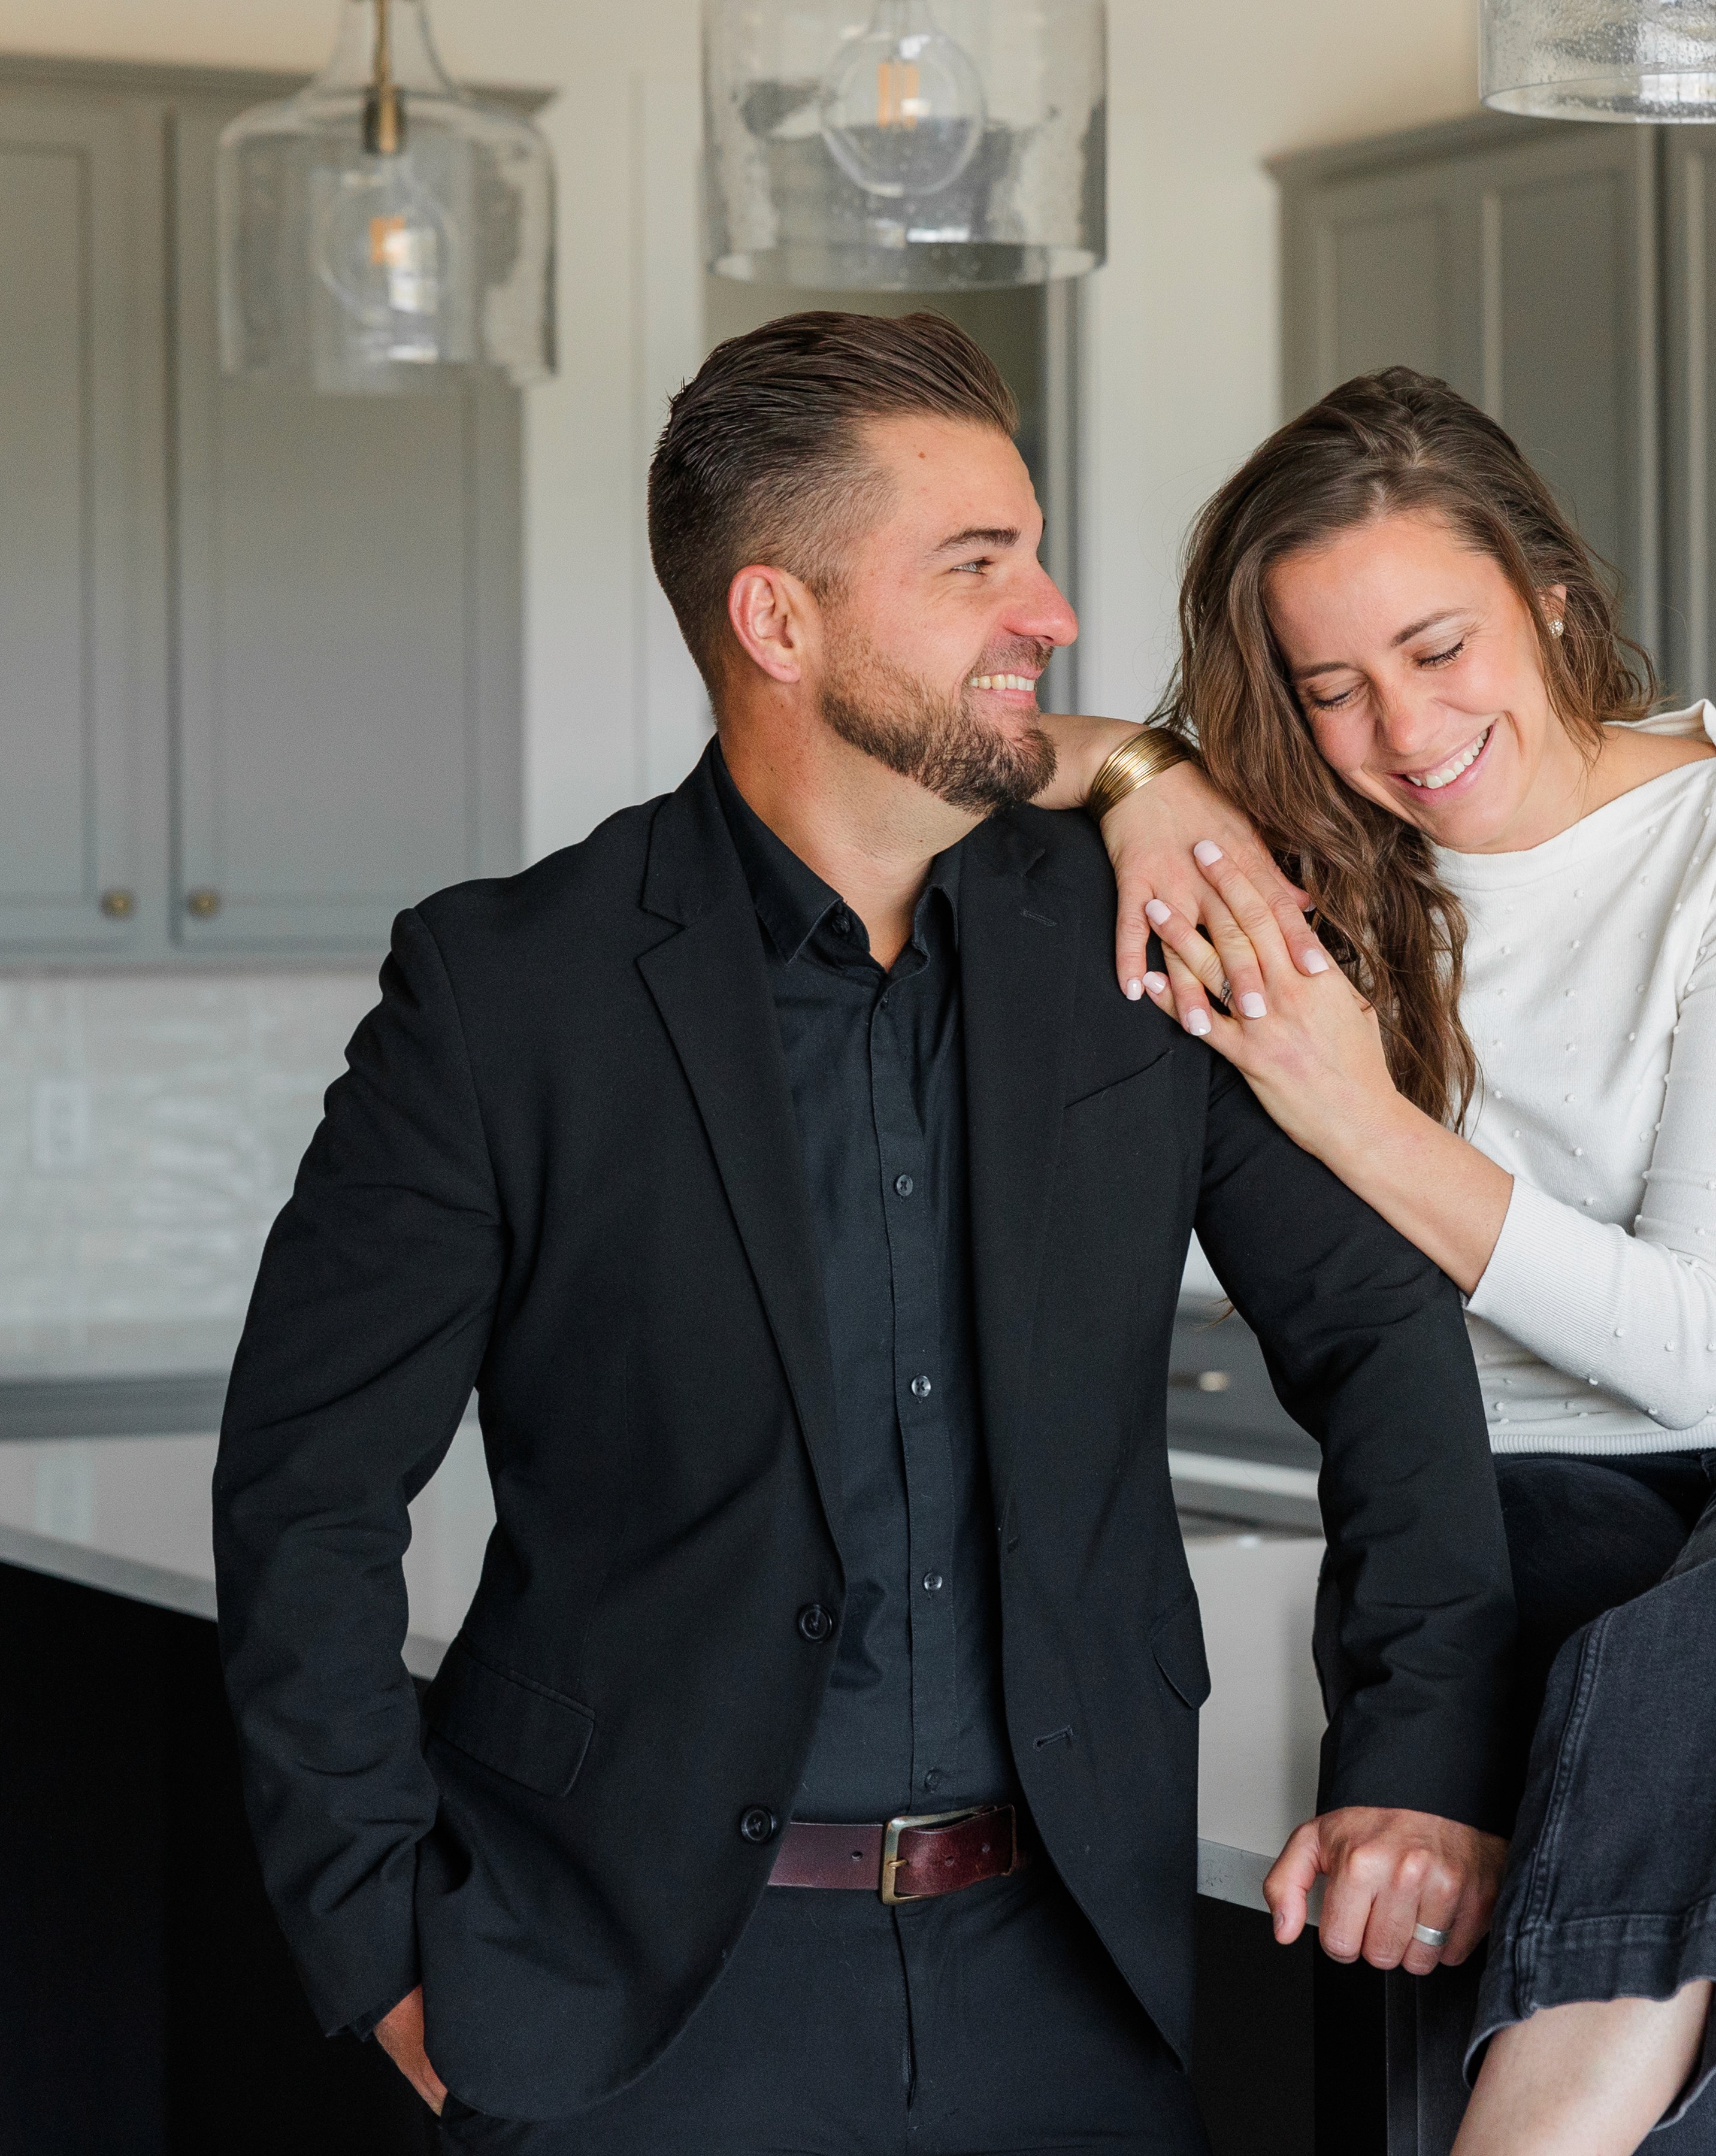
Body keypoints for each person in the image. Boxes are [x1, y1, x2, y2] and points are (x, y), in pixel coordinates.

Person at [210, 316, 1517, 2154]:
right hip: (624, 2009)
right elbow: (304, 1493)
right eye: (978, 565)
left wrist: (1420, 1759)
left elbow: (1380, 1341)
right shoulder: (505, 992)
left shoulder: (1138, 937)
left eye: (1035, 552)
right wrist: (383, 1952)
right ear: (778, 622)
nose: (1051, 612)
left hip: (1074, 1982)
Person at [1082, 367, 1716, 2156]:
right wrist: (1140, 773)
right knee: (1710, 1734)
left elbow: (1689, 1346)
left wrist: (1354, 1111)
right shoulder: (1305, 853)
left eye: (1441, 648)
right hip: (1530, 1504)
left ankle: (1534, 2128)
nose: (1404, 728)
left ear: (1548, 593)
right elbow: (966, 750)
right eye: (1332, 688)